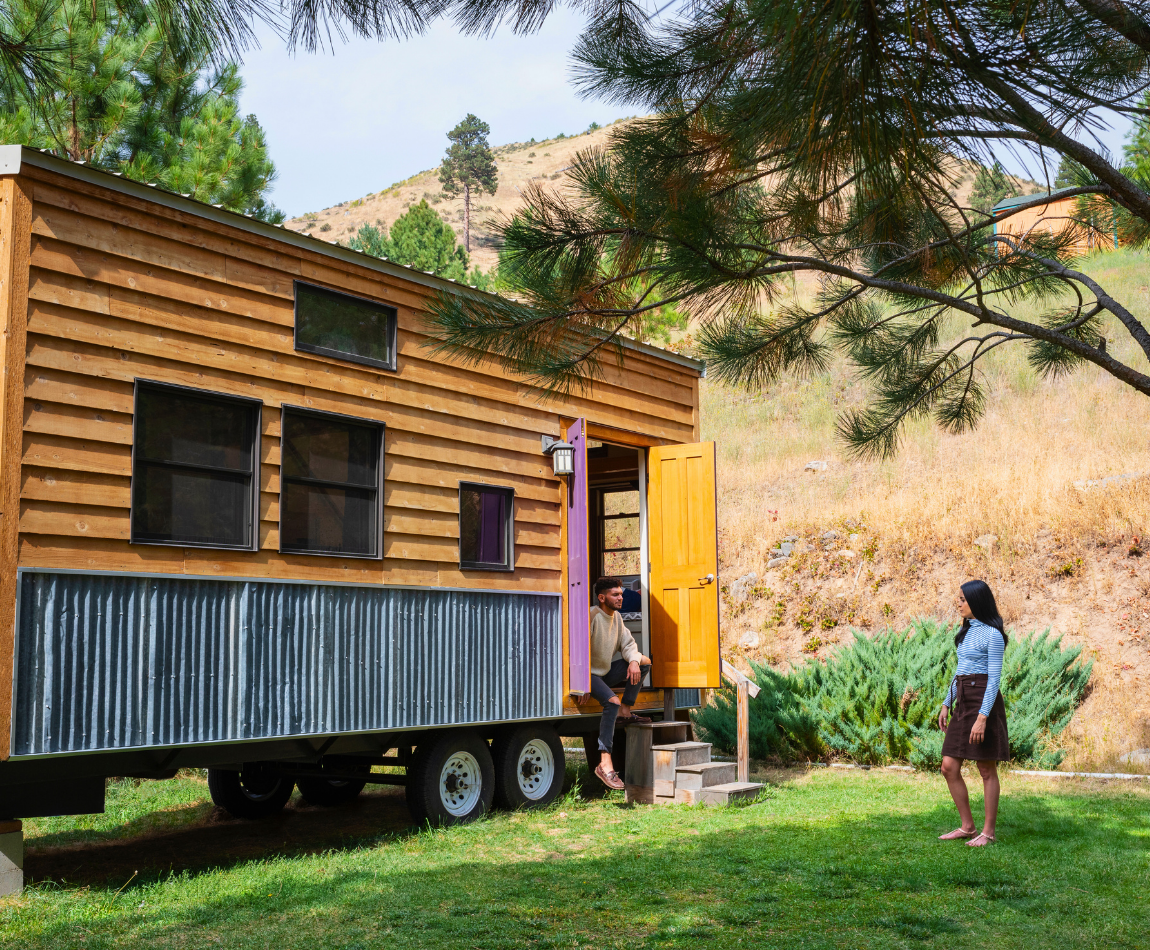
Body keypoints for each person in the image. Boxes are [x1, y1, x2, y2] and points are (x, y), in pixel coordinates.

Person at [937, 579, 1011, 847]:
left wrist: (983, 717)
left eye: (962, 600)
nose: (958, 603)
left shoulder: (992, 634)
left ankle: (988, 832)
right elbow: (960, 669)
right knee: (948, 766)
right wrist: (947, 703)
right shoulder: (965, 631)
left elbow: (994, 679)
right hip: (963, 698)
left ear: (976, 602)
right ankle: (967, 826)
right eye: (958, 599)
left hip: (983, 699)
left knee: (985, 767)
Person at [578, 576, 652, 790]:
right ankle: (604, 763)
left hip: (604, 673)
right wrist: (581, 684)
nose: (621, 597)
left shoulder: (617, 618)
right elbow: (577, 652)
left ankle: (626, 710)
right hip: (588, 674)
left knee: (644, 662)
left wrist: (635, 662)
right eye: (616, 594)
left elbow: (628, 645)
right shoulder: (592, 616)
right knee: (611, 702)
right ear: (602, 598)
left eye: (621, 593)